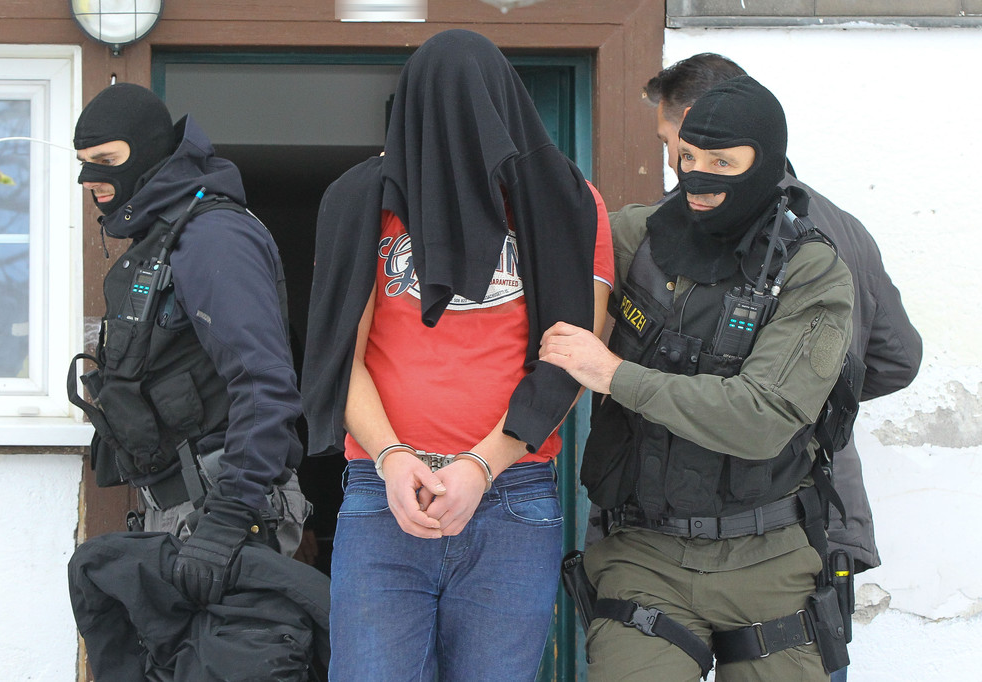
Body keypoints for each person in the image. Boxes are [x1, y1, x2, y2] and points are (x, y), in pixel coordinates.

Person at [301, 29, 614, 681]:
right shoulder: (361, 202)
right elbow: (340, 359)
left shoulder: (566, 203)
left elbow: (573, 358)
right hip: (384, 491)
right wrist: (391, 458)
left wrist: (481, 465)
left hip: (512, 495)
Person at [541, 75, 854, 680]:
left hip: (768, 557)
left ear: (765, 164)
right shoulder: (636, 237)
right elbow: (533, 237)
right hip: (645, 553)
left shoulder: (811, 271)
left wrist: (616, 376)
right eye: (687, 157)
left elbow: (762, 418)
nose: (700, 178)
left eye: (722, 163)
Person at [638, 54, 924, 682]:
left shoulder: (677, 234)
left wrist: (777, 400)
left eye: (670, 142)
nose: (674, 162)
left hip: (720, 518)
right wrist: (814, 396)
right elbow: (897, 357)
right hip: (822, 511)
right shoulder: (843, 225)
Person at [68, 83, 309, 607]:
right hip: (184, 514)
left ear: (149, 152)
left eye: (106, 161)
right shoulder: (161, 239)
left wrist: (226, 522)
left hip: (226, 518)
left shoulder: (212, 236)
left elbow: (264, 385)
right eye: (84, 164)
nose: (91, 180)